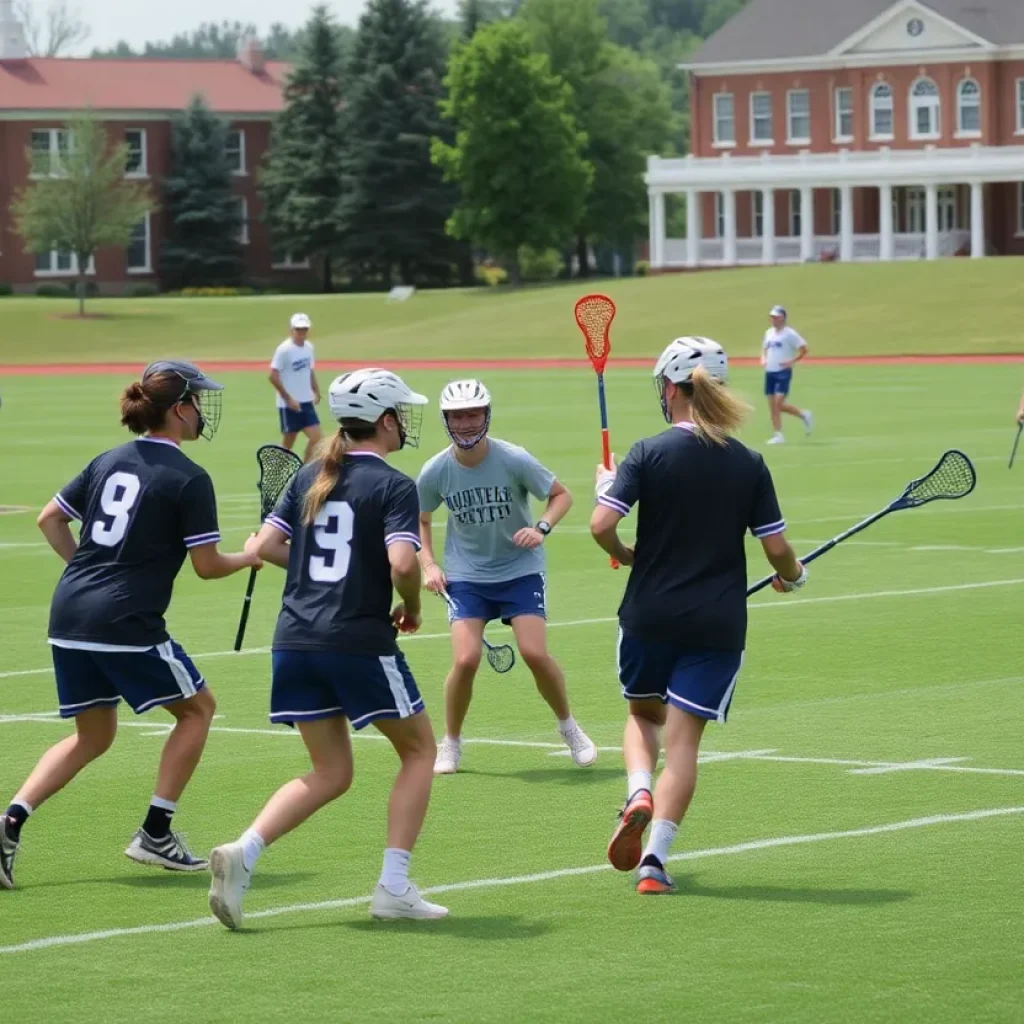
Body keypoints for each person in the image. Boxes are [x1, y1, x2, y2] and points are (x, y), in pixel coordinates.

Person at [0, 361, 261, 891]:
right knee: (198, 708)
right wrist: (250, 555)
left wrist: (83, 572)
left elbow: (49, 518)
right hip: (124, 620)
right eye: (198, 401)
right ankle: (156, 832)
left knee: (93, 734)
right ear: (179, 408)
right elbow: (208, 566)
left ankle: (9, 824)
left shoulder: (107, 458)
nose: (202, 411)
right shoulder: (189, 477)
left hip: (68, 612)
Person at [207, 368, 448, 928]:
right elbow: (403, 563)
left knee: (331, 770)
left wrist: (320, 581)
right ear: (385, 421)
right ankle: (393, 886)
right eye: (401, 414)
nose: (404, 422)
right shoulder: (393, 483)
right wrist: (410, 607)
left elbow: (264, 546)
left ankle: (244, 853)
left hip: (294, 639)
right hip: (357, 640)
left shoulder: (313, 474)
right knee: (419, 752)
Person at [590, 337, 807, 895]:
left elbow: (599, 525)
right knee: (683, 744)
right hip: (717, 623)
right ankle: (655, 864)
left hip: (648, 614)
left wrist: (622, 549)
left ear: (669, 387)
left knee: (643, 718)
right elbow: (777, 550)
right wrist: (793, 574)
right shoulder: (749, 463)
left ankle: (639, 787)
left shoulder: (647, 452)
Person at [417, 379, 597, 775]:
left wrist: (542, 528)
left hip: (520, 570)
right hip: (467, 575)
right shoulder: (436, 470)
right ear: (446, 420)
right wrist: (429, 564)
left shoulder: (513, 458)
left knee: (534, 653)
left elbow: (561, 495)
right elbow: (421, 518)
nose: (465, 423)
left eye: (473, 414)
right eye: (457, 416)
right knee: (465, 660)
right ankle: (451, 743)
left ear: (486, 415)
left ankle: (569, 728)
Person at [270, 312, 321, 461]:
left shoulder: (309, 348)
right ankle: (276, 468)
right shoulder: (284, 350)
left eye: (304, 329)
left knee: (317, 438)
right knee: (288, 445)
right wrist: (288, 399)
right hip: (289, 405)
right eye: (298, 329)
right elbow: (273, 376)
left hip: (306, 401)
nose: (301, 332)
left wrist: (316, 390)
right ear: (291, 330)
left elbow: (309, 370)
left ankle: (304, 471)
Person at [761, 305, 812, 445]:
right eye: (772, 317)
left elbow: (804, 349)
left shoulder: (790, 334)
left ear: (782, 317)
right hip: (769, 372)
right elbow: (765, 348)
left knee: (779, 403)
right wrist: (763, 359)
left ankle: (803, 415)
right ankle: (778, 435)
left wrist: (792, 361)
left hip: (783, 372)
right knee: (772, 406)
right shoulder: (768, 333)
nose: (773, 319)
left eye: (776, 317)